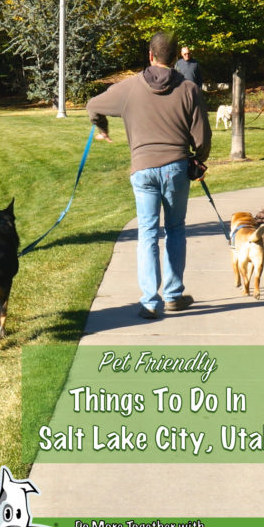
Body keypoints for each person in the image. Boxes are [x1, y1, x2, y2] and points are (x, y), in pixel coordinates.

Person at [86, 31, 211, 319]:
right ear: (176, 57)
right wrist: (199, 159)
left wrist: (102, 127)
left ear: (150, 56)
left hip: (142, 168)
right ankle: (173, 295)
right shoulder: (189, 88)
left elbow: (93, 105)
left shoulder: (129, 87)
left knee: (147, 233)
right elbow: (202, 136)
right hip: (177, 167)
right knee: (176, 229)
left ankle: (149, 302)